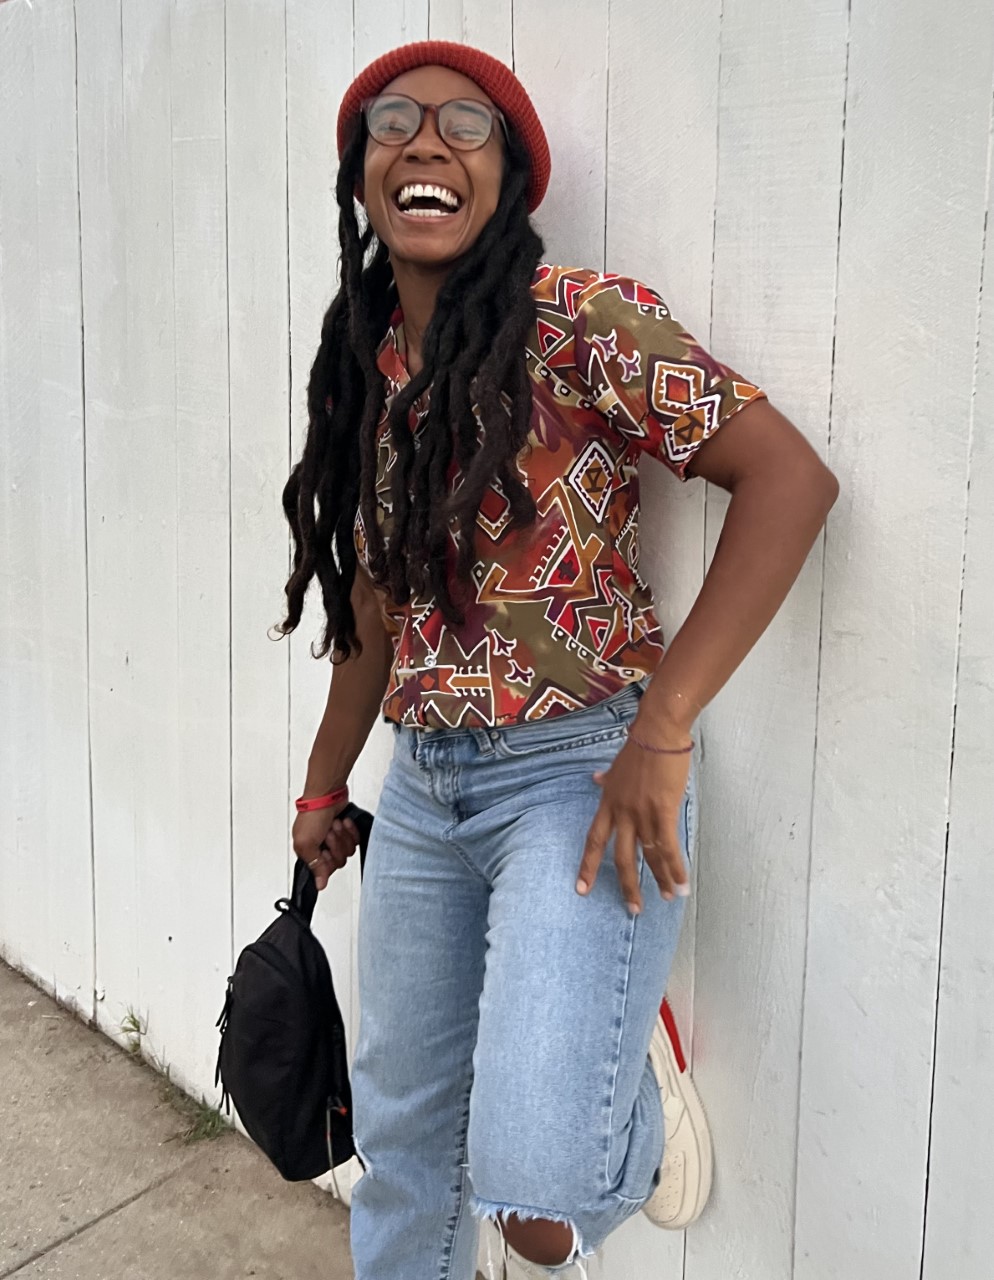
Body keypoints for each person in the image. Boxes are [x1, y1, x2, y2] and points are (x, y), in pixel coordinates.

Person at [279, 40, 838, 1280]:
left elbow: (789, 478)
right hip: (424, 792)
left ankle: (612, 1089)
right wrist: (325, 786)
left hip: (583, 777)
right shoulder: (369, 367)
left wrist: (665, 722)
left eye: (465, 124)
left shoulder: (581, 319)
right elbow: (376, 603)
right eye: (392, 121)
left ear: (511, 175)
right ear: (361, 172)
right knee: (405, 1141)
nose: (424, 141)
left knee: (536, 1186)